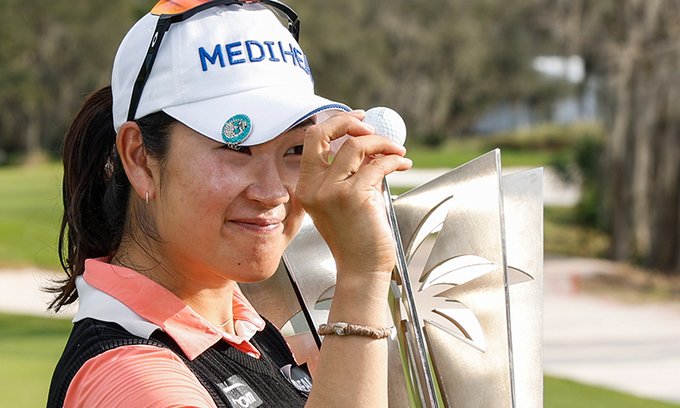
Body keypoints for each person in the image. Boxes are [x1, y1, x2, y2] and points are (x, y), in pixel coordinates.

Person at [46, 1, 412, 407]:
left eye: (294, 149)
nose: (272, 193)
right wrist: (361, 278)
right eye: (235, 146)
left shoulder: (246, 330)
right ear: (140, 159)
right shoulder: (132, 380)